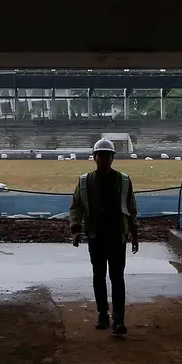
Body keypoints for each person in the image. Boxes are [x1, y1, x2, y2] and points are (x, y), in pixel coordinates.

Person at [70, 138, 139, 336]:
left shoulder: (124, 181)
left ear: (112, 158)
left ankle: (118, 319)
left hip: (117, 236)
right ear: (95, 157)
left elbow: (131, 209)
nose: (105, 159)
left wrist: (134, 234)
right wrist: (75, 231)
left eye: (108, 156)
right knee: (99, 277)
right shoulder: (84, 182)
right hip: (96, 236)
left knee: (117, 278)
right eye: (101, 155)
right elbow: (76, 207)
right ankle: (102, 315)